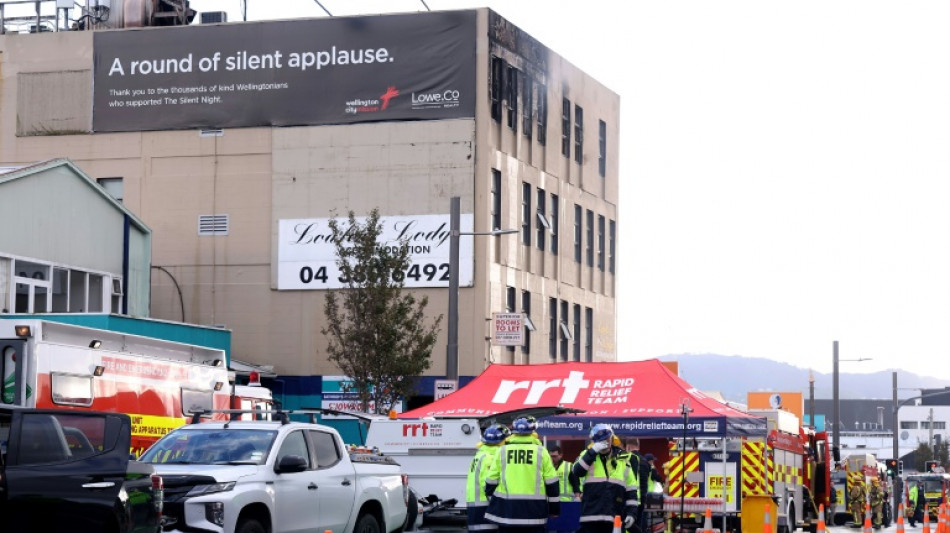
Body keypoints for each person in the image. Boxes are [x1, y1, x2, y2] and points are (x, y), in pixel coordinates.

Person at [484, 417, 560, 533]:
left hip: (507, 514)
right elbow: (552, 484)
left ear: (514, 433)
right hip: (534, 515)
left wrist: (494, 502)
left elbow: (490, 481)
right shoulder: (541, 452)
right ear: (533, 433)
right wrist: (554, 510)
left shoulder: (502, 451)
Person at [571, 424, 639, 533]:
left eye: (607, 439)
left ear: (612, 438)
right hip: (591, 518)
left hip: (614, 519)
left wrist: (632, 513)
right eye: (601, 440)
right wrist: (592, 452)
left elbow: (631, 490)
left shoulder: (623, 459)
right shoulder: (587, 455)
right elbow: (577, 471)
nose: (606, 443)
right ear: (594, 441)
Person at [468, 424, 510, 531]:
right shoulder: (490, 457)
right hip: (485, 507)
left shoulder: (480, 454)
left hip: (475, 505)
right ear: (501, 441)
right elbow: (487, 484)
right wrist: (497, 505)